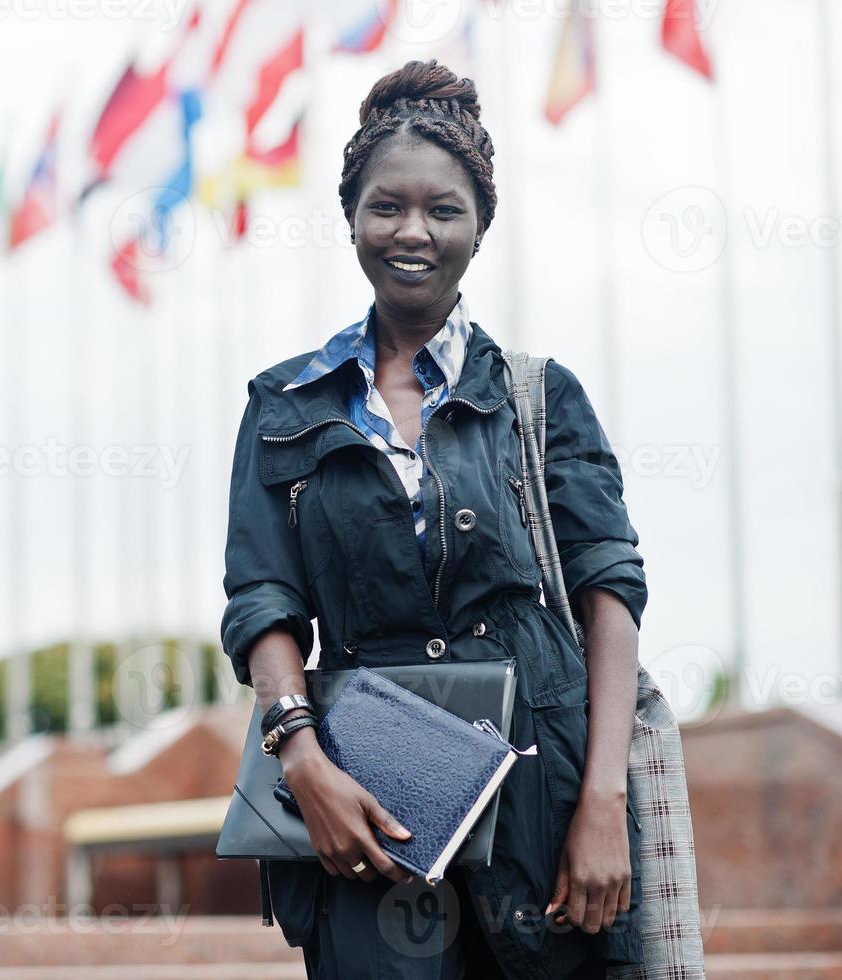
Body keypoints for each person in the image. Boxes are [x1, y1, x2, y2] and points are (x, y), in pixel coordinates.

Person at [220, 60, 652, 979]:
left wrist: (603, 800)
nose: (412, 231)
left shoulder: (539, 398)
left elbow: (609, 592)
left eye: (443, 209)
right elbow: (261, 600)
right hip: (362, 799)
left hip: (544, 792)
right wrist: (301, 760)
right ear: (350, 217)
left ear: (479, 227)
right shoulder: (283, 405)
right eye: (386, 206)